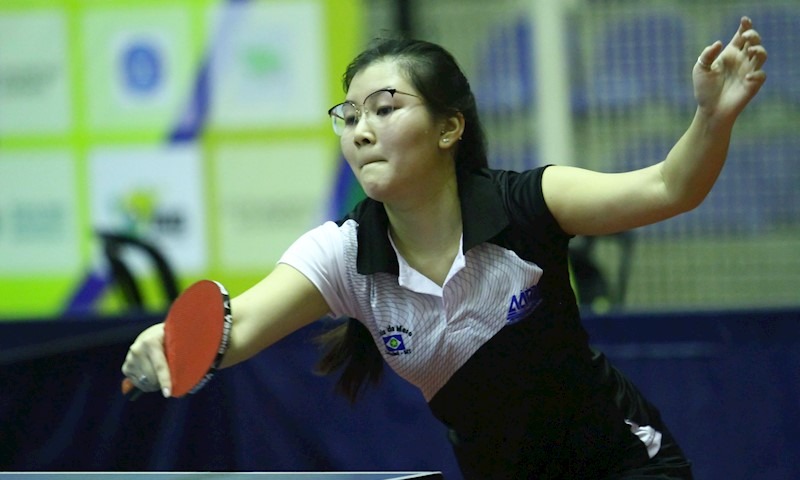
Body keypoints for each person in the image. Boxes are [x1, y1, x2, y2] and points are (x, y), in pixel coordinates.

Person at [122, 16, 767, 479]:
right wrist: (167, 344)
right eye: (350, 116)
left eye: (384, 109)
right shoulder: (342, 256)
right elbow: (236, 328)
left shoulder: (528, 204)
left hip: (623, 465)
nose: (361, 131)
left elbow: (668, 187)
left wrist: (712, 117)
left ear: (449, 127)